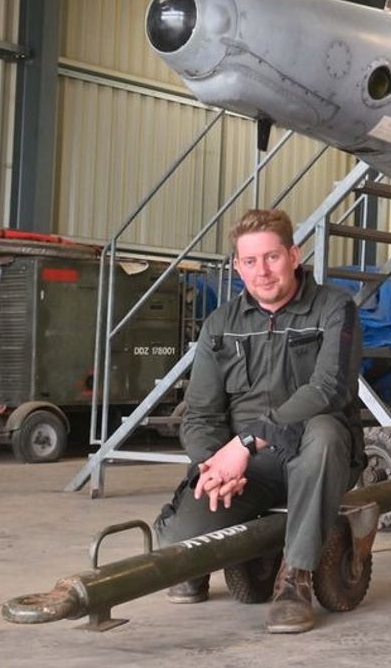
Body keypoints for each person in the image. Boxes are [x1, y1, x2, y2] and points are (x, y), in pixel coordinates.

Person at [154, 208, 364, 634]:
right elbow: (200, 413)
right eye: (249, 261)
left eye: (271, 257)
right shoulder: (221, 324)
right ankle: (218, 547)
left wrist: (245, 443)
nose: (262, 272)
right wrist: (213, 466)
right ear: (237, 266)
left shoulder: (333, 308)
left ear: (293, 254)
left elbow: (328, 390)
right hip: (247, 467)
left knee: (324, 430)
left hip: (316, 455)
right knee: (178, 540)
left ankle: (296, 578)